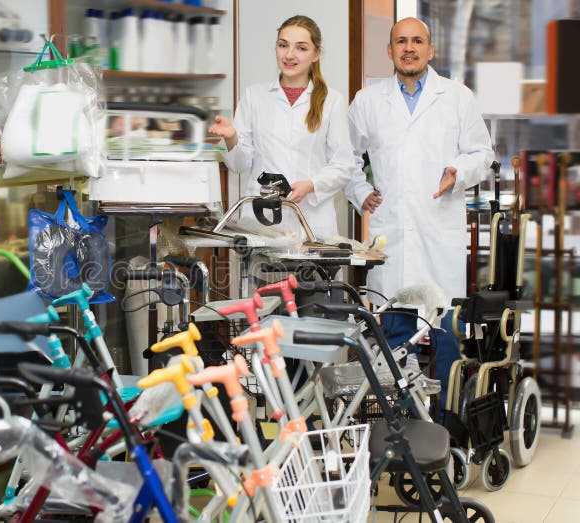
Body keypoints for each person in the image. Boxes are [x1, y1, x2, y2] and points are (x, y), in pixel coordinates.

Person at [344, 17, 494, 407]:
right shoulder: (368, 101)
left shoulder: (457, 97)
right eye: (401, 41)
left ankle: (446, 424)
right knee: (395, 337)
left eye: (417, 41)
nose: (409, 48)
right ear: (390, 50)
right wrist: (361, 191)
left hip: (439, 232)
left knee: (446, 338)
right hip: (392, 234)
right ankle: (405, 424)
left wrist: (457, 171)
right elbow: (345, 158)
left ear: (430, 49)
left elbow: (482, 153)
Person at [208, 15, 354, 241]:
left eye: (301, 48)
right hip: (262, 221)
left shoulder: (332, 101)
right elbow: (238, 165)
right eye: (283, 45)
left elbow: (343, 165)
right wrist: (231, 138)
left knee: (309, 264)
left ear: (316, 54)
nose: (289, 55)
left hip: (312, 220)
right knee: (261, 264)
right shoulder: (254, 96)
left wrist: (311, 185)